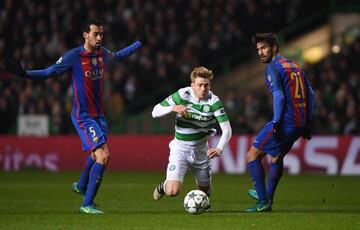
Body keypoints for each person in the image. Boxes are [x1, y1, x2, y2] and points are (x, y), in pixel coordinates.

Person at [0, 18, 146, 214]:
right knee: (104, 156)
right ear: (85, 35)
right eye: (96, 33)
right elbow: (48, 72)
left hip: (99, 115)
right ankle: (86, 204)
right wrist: (25, 73)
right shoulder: (73, 56)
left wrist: (140, 43)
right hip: (83, 115)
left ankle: (80, 185)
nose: (100, 37)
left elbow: (119, 55)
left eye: (101, 34)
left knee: (96, 155)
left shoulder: (102, 53)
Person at [245, 32, 315, 212]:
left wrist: (276, 122)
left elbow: (279, 96)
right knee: (276, 157)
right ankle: (267, 197)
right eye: (258, 49)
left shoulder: (273, 68)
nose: (260, 52)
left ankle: (262, 201)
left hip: (285, 121)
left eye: (264, 48)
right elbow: (311, 94)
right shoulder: (294, 65)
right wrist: (307, 122)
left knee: (252, 155)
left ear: (274, 47)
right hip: (299, 122)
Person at [152, 66, 232, 205]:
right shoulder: (182, 95)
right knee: (172, 191)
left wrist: (219, 148)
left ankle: (203, 190)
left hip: (201, 151)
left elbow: (227, 130)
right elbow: (155, 111)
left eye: (206, 85)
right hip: (180, 150)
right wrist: (172, 108)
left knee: (206, 193)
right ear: (192, 85)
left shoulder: (214, 102)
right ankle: (164, 186)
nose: (203, 88)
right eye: (200, 85)